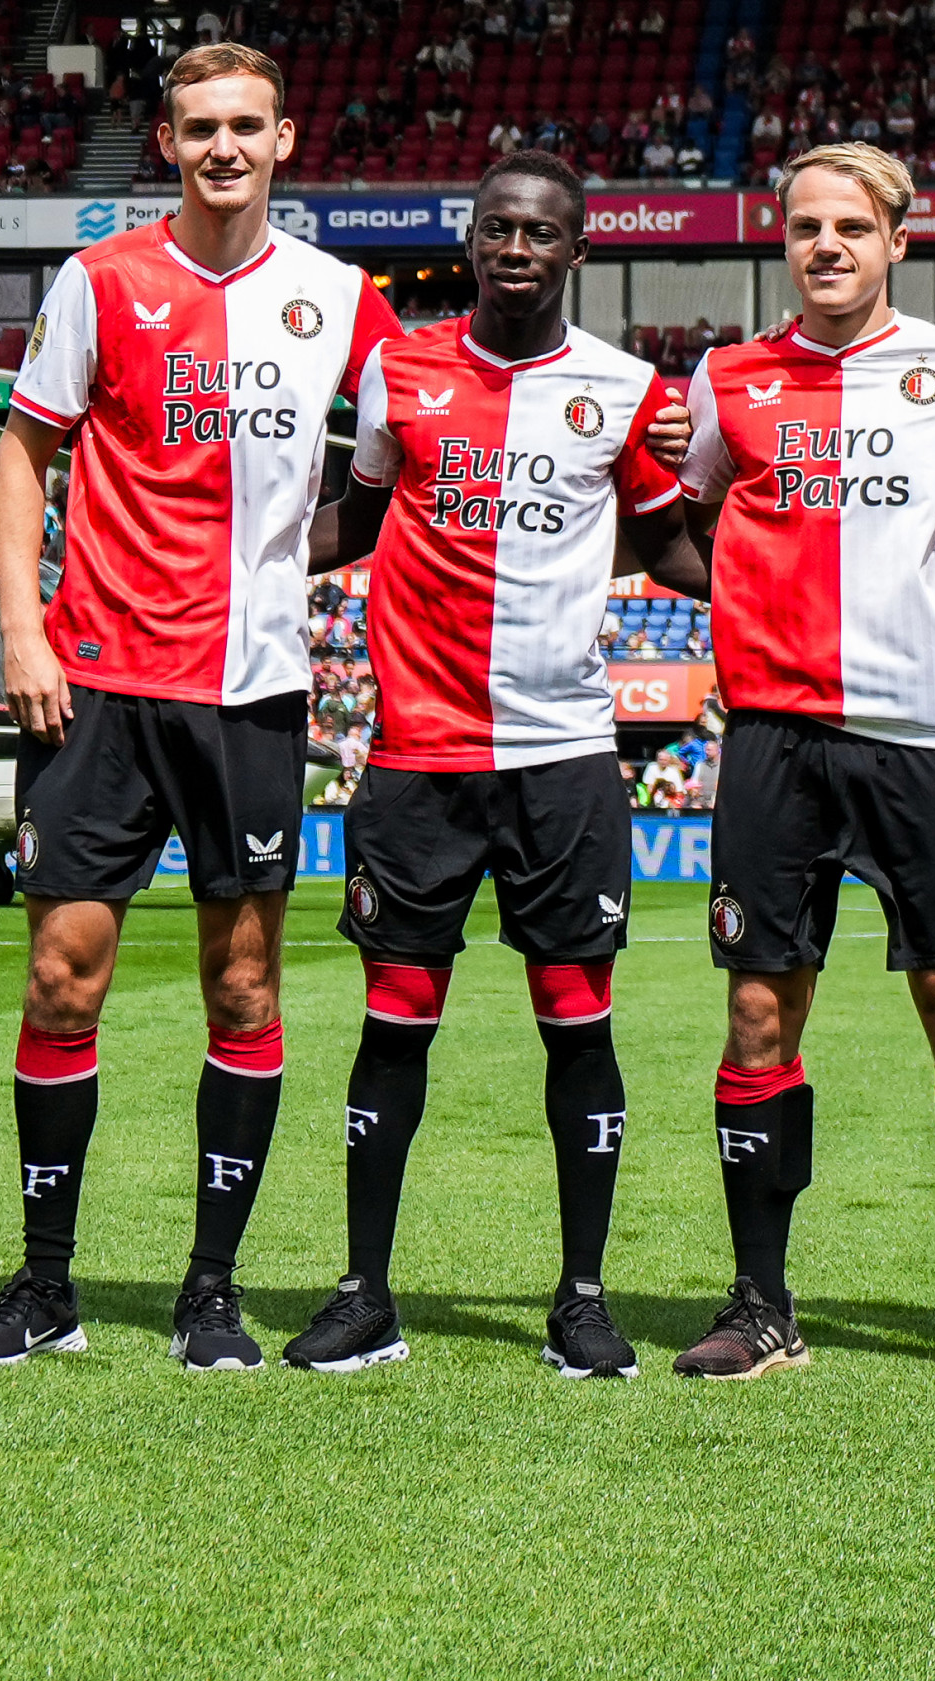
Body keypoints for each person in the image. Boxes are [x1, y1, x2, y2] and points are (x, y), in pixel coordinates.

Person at [0, 41, 397, 1372]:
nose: (222, 147)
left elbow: (397, 463)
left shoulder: (341, 299)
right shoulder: (100, 283)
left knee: (245, 986)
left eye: (245, 126)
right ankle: (46, 1287)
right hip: (93, 689)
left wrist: (286, 558)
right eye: (200, 126)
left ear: (284, 137)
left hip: (250, 698)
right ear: (166, 137)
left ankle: (211, 1291)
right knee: (59, 978)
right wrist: (23, 626)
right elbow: (23, 457)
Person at [636, 140, 935, 1388]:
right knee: (761, 1009)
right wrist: (736, 597)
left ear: (897, 239)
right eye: (804, 228)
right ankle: (761, 1303)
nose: (826, 246)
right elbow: (675, 513)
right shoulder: (728, 379)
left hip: (924, 739)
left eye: (850, 227)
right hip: (773, 738)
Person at [285, 151, 687, 1380]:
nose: (518, 247)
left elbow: (674, 546)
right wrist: (219, 567)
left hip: (562, 762)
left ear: (578, 251)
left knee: (578, 1025)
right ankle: (366, 1294)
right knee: (394, 1025)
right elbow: (352, 519)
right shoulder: (396, 368)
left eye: (542, 232)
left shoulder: (623, 389)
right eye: (498, 228)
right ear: (472, 240)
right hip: (418, 758)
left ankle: (580, 1297)